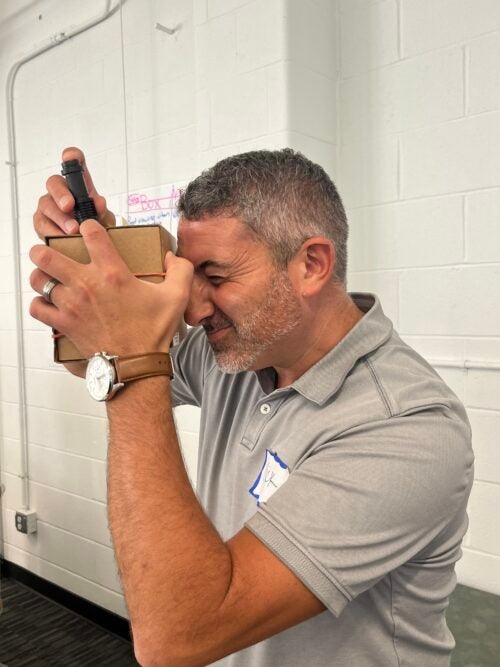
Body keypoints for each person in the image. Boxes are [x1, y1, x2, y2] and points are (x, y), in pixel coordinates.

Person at [31, 147, 473, 667]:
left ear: (311, 265)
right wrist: (110, 269)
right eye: (190, 277)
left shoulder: (406, 428)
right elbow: (93, 360)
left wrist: (131, 358)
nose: (193, 309)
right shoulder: (239, 352)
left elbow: (177, 637)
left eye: (216, 277)